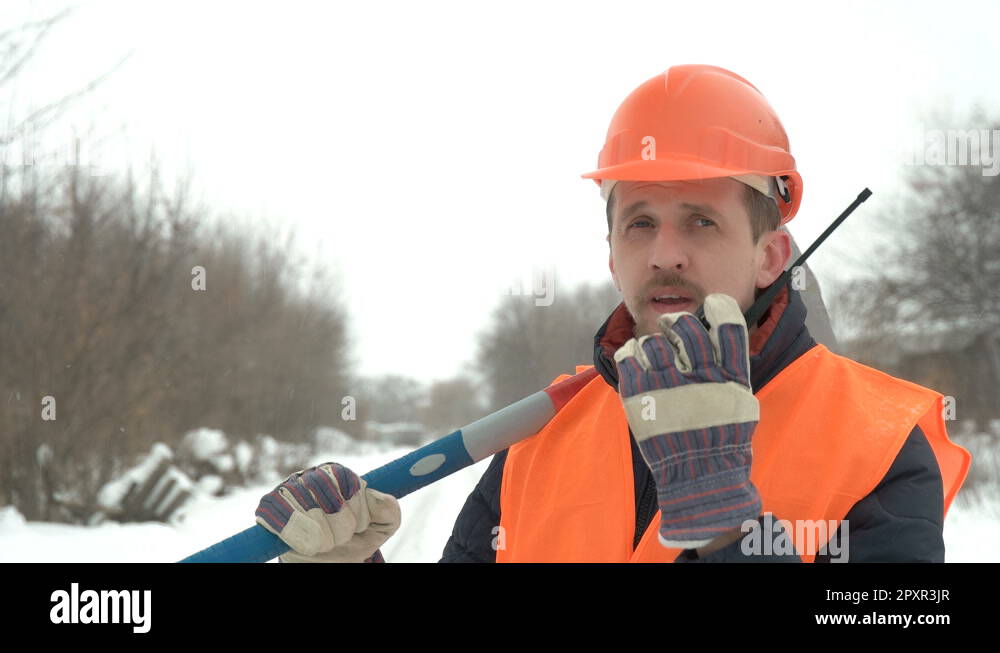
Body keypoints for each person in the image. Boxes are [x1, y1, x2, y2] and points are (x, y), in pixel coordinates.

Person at [254, 64, 971, 563]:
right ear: (610, 253)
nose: (665, 254)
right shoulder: (540, 438)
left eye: (700, 222)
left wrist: (731, 533)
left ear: (771, 253)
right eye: (639, 224)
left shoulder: (879, 444)